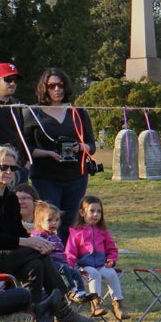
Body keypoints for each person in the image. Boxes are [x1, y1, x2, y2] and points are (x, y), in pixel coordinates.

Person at [0, 146, 93, 322]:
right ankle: (64, 307)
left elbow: (16, 231)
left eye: (13, 168)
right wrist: (29, 242)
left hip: (3, 251)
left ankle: (33, 312)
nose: (9, 172)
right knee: (37, 254)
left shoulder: (9, 196)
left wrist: (35, 241)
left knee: (35, 263)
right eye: (4, 167)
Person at [22, 68, 96, 243]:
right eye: (52, 86)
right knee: (49, 219)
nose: (57, 89)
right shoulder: (33, 113)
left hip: (75, 177)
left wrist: (80, 147)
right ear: (44, 88)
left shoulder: (78, 112)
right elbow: (24, 147)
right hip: (45, 176)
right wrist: (47, 153)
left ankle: (69, 260)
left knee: (71, 223)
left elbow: (91, 145)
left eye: (60, 85)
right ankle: (50, 259)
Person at [65, 194, 127, 321]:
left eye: (99, 211)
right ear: (82, 213)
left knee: (111, 274)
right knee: (94, 274)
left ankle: (118, 305)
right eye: (92, 211)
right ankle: (95, 304)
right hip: (85, 266)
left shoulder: (103, 231)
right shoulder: (76, 232)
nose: (95, 214)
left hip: (102, 264)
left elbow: (112, 249)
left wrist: (112, 260)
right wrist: (70, 268)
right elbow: (70, 252)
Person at [30, 201, 94, 307]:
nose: (54, 223)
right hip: (48, 264)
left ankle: (81, 293)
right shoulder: (39, 235)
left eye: (56, 220)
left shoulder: (55, 235)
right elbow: (36, 250)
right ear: (40, 222)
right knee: (63, 268)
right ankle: (71, 291)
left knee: (76, 273)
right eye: (49, 220)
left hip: (60, 264)